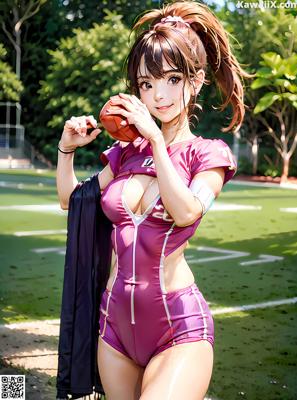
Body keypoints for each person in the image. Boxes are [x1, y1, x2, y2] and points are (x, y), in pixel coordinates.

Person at [56, 1, 249, 399]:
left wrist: (157, 140)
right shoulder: (126, 152)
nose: (157, 95)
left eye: (171, 79)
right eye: (146, 84)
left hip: (177, 326)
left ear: (195, 82)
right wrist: (66, 151)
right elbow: (74, 201)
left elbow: (187, 211)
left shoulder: (208, 155)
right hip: (113, 329)